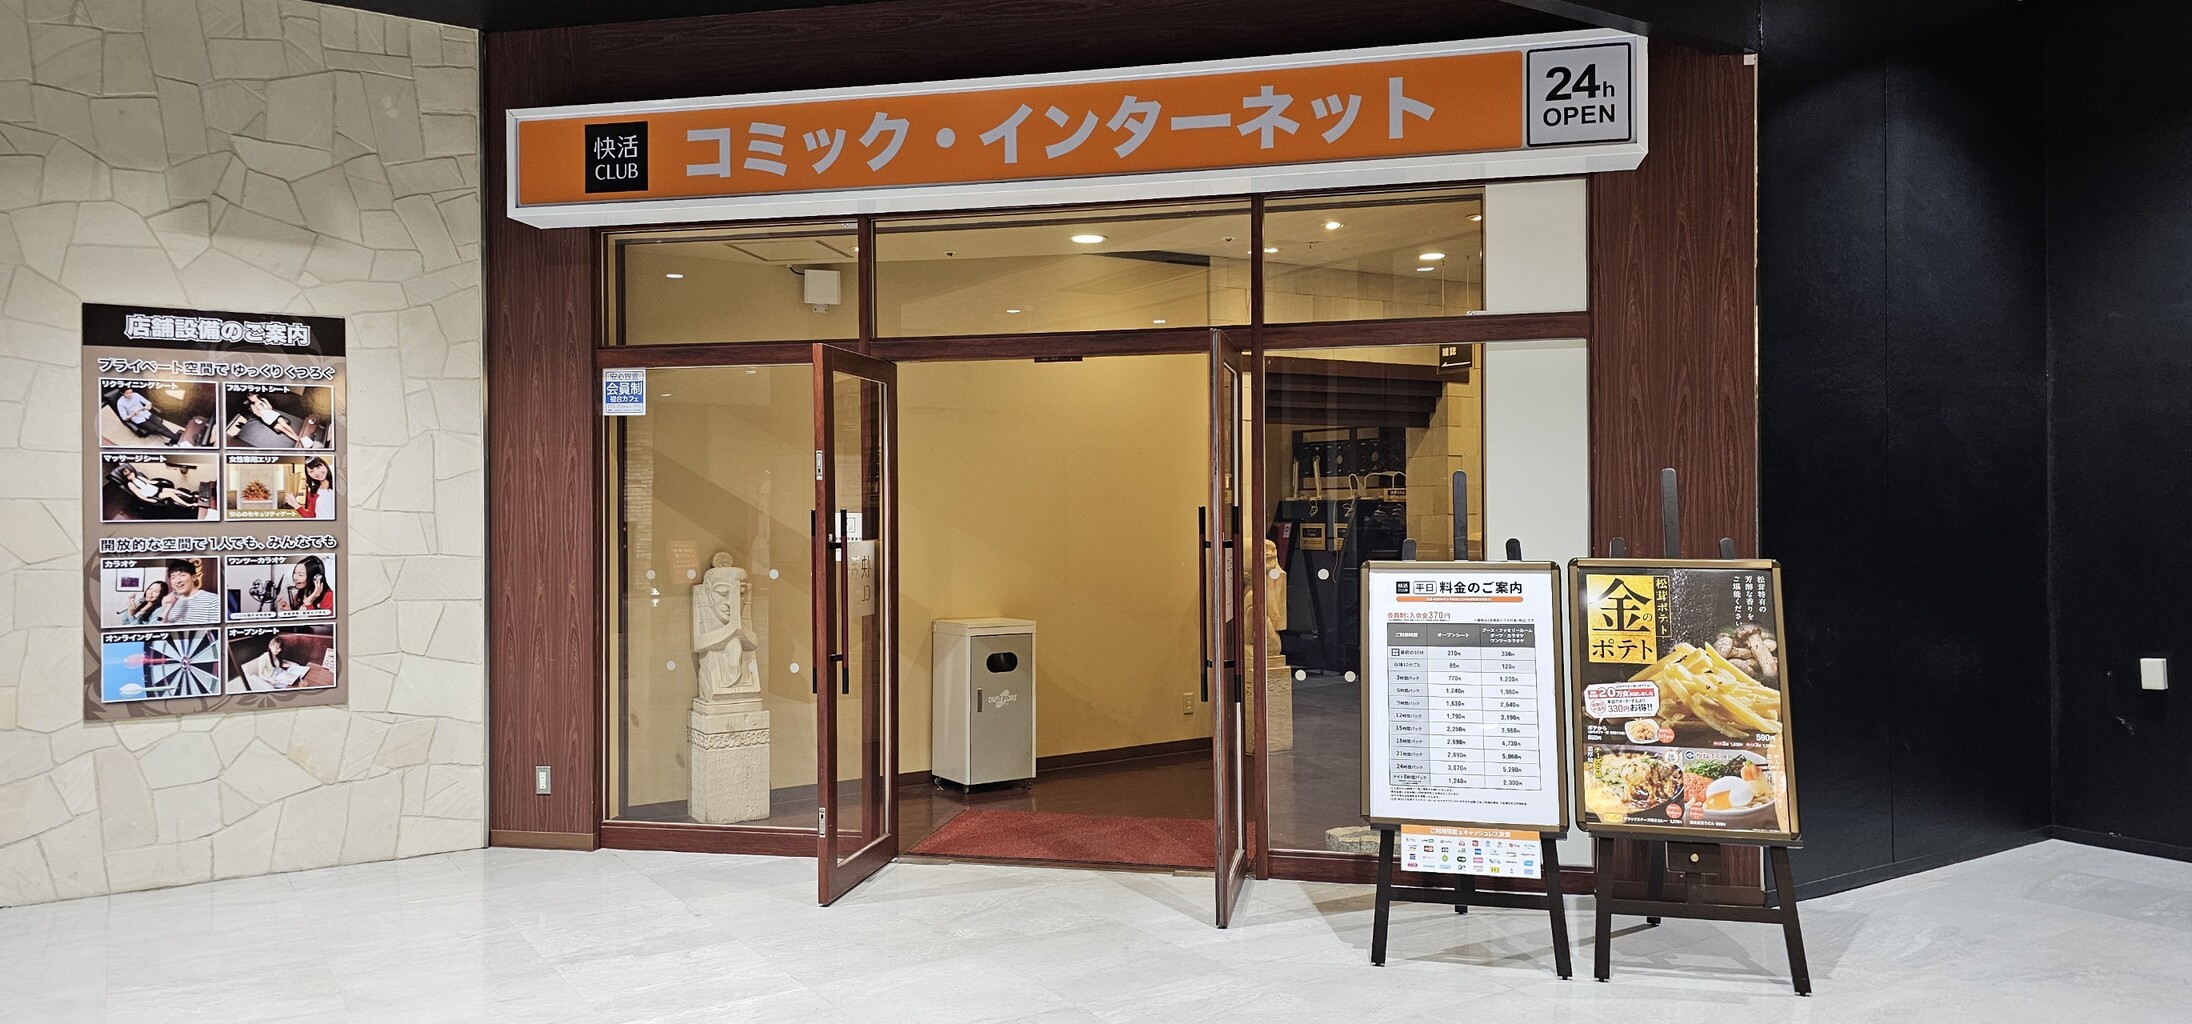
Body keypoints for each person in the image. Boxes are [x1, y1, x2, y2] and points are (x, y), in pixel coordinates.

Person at [237, 634, 311, 691]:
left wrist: (282, 664)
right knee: (291, 686)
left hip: (280, 672)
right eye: (276, 648)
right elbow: (260, 675)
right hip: (272, 677)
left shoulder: (277, 655)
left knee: (296, 677)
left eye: (280, 648)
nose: (278, 650)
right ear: (270, 646)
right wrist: (270, 680)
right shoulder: (264, 658)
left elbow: (276, 665)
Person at [159, 560, 220, 625]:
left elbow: (216, 629)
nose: (177, 581)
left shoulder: (213, 600)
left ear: (194, 577)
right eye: (173, 577)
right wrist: (165, 607)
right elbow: (163, 628)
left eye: (182, 575)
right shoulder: (171, 602)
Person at [113, 387, 182, 445]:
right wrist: (133, 413)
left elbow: (147, 402)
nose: (130, 394)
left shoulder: (136, 395)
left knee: (160, 425)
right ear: (122, 393)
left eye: (131, 392)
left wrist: (148, 406)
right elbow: (124, 418)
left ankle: (175, 438)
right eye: (127, 393)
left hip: (145, 413)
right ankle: (177, 438)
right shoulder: (120, 403)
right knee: (158, 429)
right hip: (138, 419)